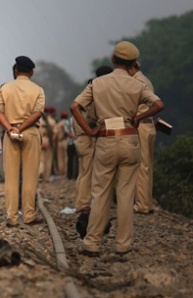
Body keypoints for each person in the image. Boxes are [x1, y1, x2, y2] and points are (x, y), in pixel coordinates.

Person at [71, 41, 164, 256]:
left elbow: (75, 106)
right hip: (130, 137)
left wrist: (89, 130)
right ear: (133, 64)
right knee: (125, 194)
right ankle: (123, 244)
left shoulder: (97, 83)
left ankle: (92, 242)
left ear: (113, 60)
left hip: (105, 138)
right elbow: (158, 104)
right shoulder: (137, 84)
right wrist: (138, 117)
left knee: (100, 193)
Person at [0, 56, 45, 227]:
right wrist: (22, 128)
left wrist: (10, 128)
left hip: (10, 134)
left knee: (11, 177)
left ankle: (12, 217)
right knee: (30, 177)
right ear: (31, 72)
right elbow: (37, 113)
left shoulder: (5, 88)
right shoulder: (38, 89)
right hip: (30, 133)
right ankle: (29, 215)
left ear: (15, 71)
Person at [73, 65, 113, 212]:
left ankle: (82, 201)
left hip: (82, 139)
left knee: (84, 172)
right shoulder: (89, 99)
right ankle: (83, 203)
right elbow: (92, 117)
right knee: (88, 172)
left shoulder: (82, 100)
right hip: (86, 139)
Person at [130, 62, 158, 214]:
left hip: (141, 125)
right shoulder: (146, 79)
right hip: (149, 125)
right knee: (147, 166)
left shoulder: (136, 82)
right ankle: (147, 202)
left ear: (132, 68)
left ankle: (141, 204)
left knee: (141, 166)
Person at [54, 111, 69, 177]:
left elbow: (56, 134)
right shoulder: (68, 123)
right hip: (66, 141)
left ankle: (61, 171)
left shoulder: (58, 124)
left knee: (60, 157)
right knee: (66, 157)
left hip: (59, 142)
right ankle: (66, 171)